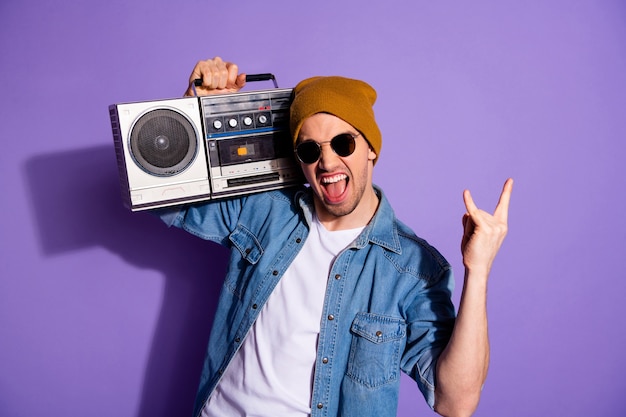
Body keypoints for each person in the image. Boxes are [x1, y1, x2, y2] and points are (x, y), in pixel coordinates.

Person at [161, 56, 513, 417]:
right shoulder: (265, 209)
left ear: (371, 148)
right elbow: (169, 201)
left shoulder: (413, 269)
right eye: (310, 149)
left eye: (343, 143)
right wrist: (196, 110)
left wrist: (479, 271)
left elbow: (457, 401)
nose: (327, 163)